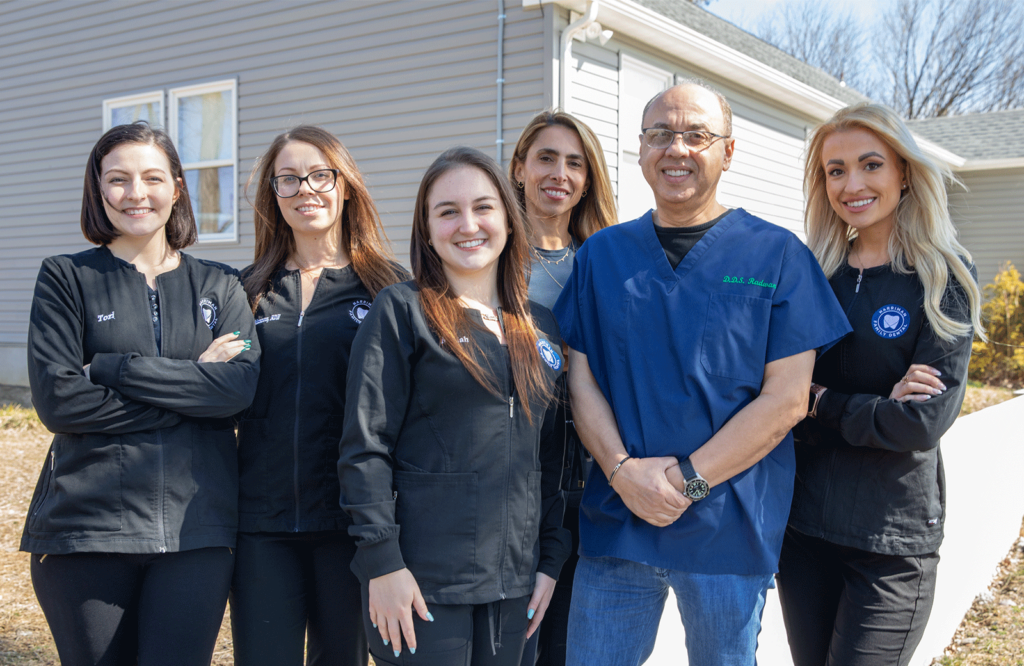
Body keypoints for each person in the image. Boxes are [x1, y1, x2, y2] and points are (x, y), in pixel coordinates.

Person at [552, 80, 851, 666]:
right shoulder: (601, 257)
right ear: (641, 149)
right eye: (660, 134)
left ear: (728, 152)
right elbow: (581, 381)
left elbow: (788, 399)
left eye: (697, 135)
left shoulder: (777, 255)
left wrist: (687, 483)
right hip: (619, 522)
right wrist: (622, 474)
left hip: (728, 530)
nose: (677, 148)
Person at [21, 121, 260, 666]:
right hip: (85, 530)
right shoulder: (65, 278)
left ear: (177, 187)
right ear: (98, 189)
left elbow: (237, 389)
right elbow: (60, 402)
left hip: (196, 534)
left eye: (152, 178)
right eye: (118, 179)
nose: (136, 193)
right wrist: (193, 383)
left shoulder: (221, 284)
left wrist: (112, 368)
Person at [338, 146, 571, 665]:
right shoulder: (401, 311)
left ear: (508, 219)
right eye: (448, 211)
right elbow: (364, 447)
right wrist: (382, 564)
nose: (468, 225)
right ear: (426, 229)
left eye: (483, 207)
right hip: (422, 584)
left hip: (517, 584)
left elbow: (551, 458)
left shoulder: (540, 325)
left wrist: (549, 561)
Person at [776, 103, 984, 666]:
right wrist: (872, 406)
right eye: (836, 170)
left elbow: (920, 422)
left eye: (871, 165)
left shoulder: (942, 277)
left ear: (904, 173)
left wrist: (818, 401)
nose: (852, 185)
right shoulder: (811, 274)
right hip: (804, 533)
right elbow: (773, 394)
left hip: (891, 542)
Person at [230, 126, 406, 666]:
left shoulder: (389, 288)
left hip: (351, 526)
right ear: (273, 194)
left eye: (319, 175)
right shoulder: (245, 290)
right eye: (288, 179)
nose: (305, 189)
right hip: (261, 523)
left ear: (345, 186)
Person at [507, 110, 616, 666]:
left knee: (578, 648)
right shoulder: (490, 260)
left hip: (597, 480)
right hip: (518, 481)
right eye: (546, 158)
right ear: (518, 169)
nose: (559, 173)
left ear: (588, 179)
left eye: (575, 163)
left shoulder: (607, 264)